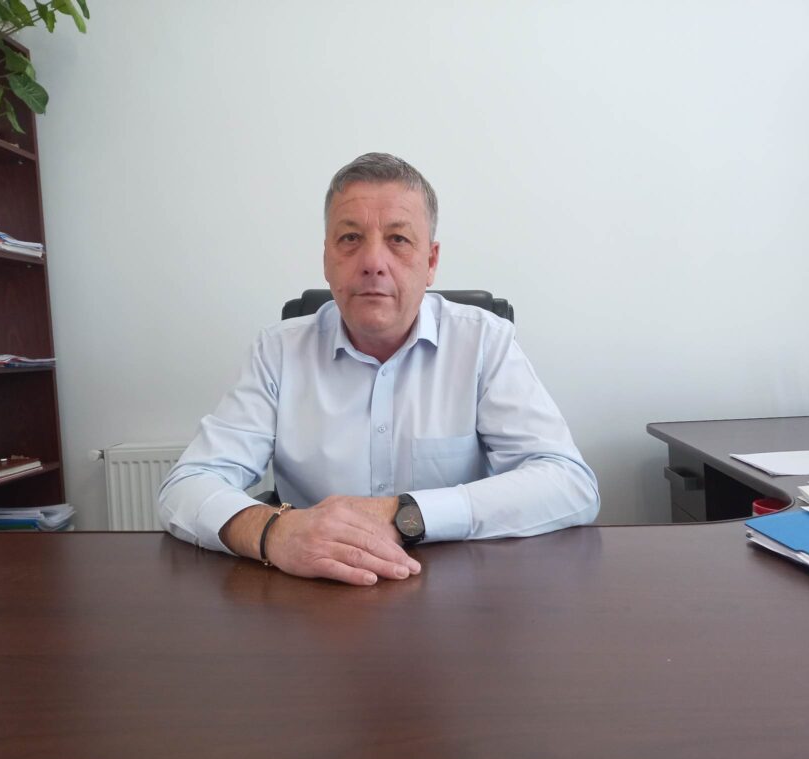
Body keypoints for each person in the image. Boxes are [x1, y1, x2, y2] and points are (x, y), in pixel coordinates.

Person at [158, 152, 599, 586]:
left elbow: (569, 484)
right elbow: (187, 485)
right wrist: (273, 532)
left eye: (398, 239)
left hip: (455, 593)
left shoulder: (484, 342)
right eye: (350, 238)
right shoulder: (278, 351)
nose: (372, 262)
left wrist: (406, 514)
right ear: (327, 258)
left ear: (431, 262)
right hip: (314, 594)